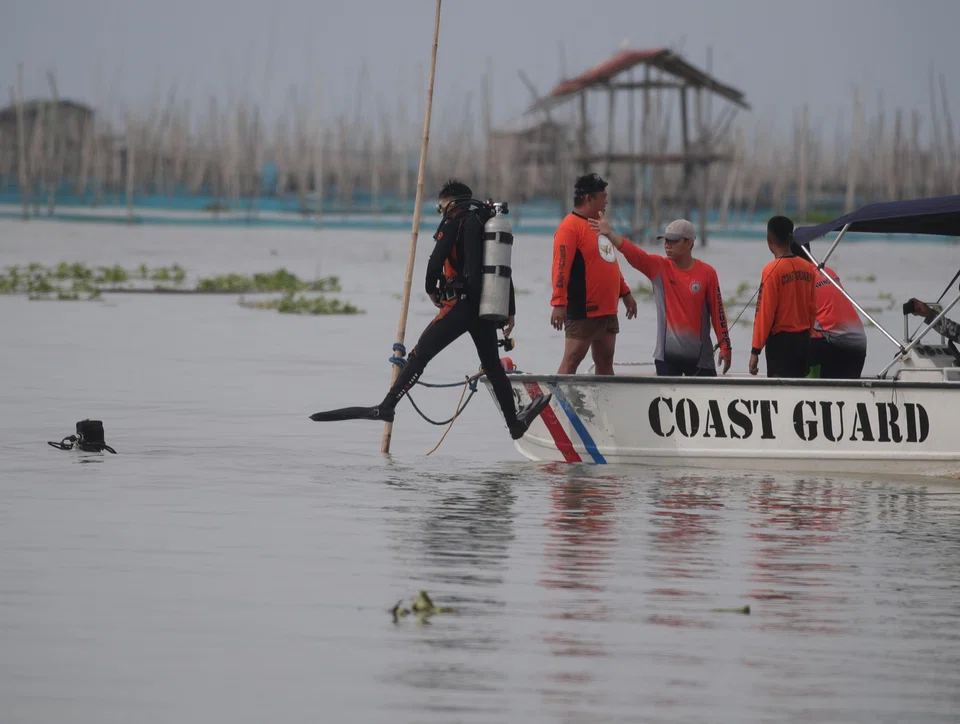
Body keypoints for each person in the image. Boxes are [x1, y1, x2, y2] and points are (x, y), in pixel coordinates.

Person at [310, 179, 551, 440]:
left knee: (419, 355)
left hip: (458, 305)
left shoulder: (455, 219)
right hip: (485, 309)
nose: (441, 211)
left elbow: (436, 260)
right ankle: (514, 423)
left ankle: (387, 407)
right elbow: (501, 269)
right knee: (493, 367)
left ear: (449, 201)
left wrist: (431, 289)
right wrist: (510, 309)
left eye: (441, 206)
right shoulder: (486, 221)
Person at [589, 216, 732, 376]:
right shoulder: (658, 267)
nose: (667, 245)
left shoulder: (707, 273)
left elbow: (718, 313)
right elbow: (634, 253)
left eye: (673, 241)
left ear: (689, 243)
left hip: (700, 358)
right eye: (665, 241)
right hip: (667, 358)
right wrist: (609, 234)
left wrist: (726, 347)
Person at [550, 173, 638, 374]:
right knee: (572, 359)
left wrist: (625, 293)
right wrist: (558, 303)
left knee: (606, 359)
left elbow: (610, 261)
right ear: (589, 198)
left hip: (608, 308)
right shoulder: (569, 228)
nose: (606, 201)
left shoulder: (600, 225)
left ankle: (606, 404)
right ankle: (558, 403)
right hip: (584, 308)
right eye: (603, 196)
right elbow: (560, 267)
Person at [749, 216, 817, 377]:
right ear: (791, 238)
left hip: (781, 343)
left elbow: (765, 313)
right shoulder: (808, 268)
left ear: (768, 239)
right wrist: (808, 337)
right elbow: (813, 308)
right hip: (803, 340)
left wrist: (755, 351)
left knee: (781, 392)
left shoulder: (771, 270)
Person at [796, 241, 867, 379]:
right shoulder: (827, 271)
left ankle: (790, 391)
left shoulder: (801, 277)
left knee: (786, 343)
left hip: (836, 346)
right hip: (859, 342)